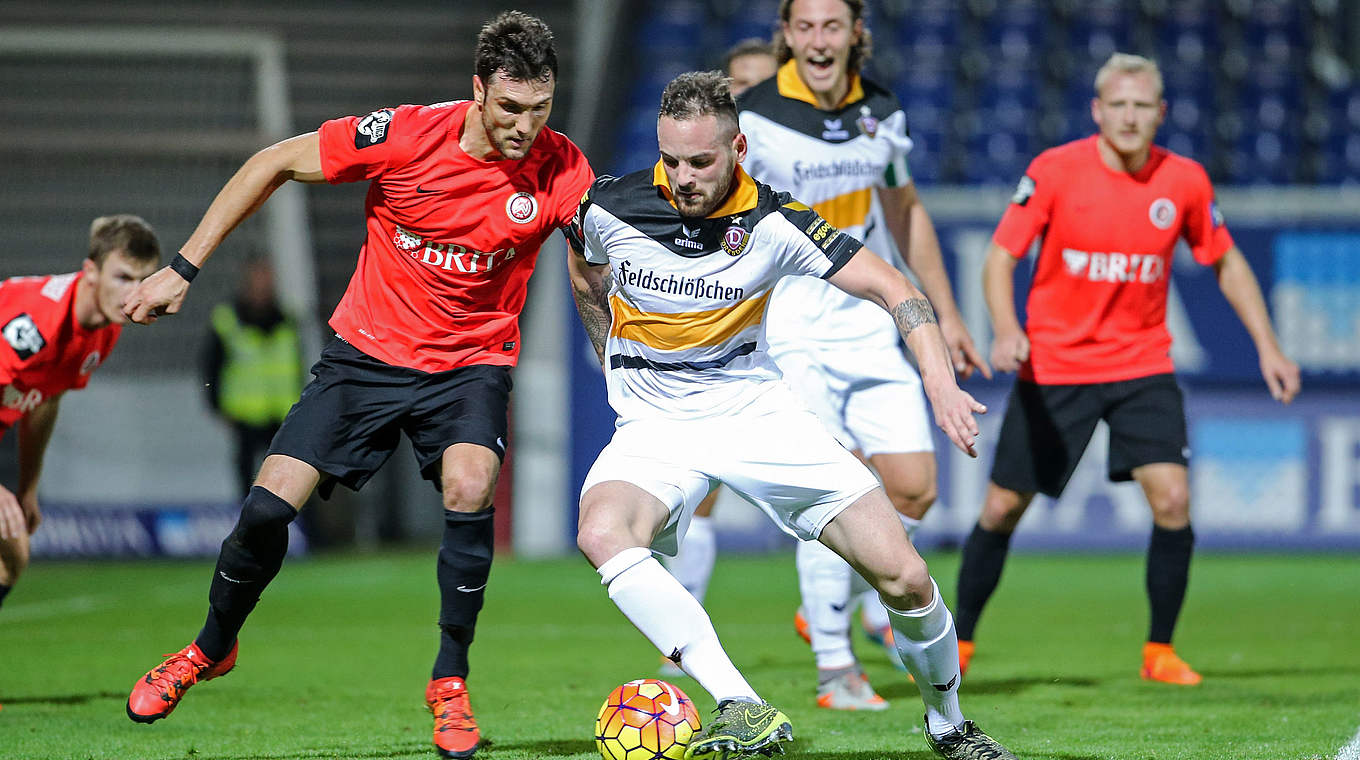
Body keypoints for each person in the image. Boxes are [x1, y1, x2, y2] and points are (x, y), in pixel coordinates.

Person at [122, 12, 593, 759]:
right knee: (266, 509)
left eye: (540, 109)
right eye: (510, 108)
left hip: (470, 364)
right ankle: (210, 647)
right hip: (367, 355)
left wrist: (611, 345)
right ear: (477, 90)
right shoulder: (405, 136)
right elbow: (270, 162)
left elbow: (592, 257)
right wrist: (180, 269)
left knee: (470, 485)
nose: (525, 127)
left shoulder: (562, 165)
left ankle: (450, 682)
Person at [567, 71, 1015, 760]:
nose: (682, 177)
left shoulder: (776, 224)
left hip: (758, 417)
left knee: (905, 578)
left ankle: (949, 724)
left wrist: (938, 381)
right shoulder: (609, 208)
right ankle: (742, 704)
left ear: (738, 148)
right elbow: (585, 269)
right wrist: (612, 360)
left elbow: (893, 286)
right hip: (657, 429)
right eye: (671, 159)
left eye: (701, 162)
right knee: (602, 530)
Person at [955, 52, 1301, 686]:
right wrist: (1008, 330)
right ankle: (961, 641)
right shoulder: (1054, 171)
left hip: (1143, 364)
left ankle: (1159, 651)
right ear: (1097, 110)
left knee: (1172, 499)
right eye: (1118, 104)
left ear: (1161, 113)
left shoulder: (1186, 180)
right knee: (1003, 507)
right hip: (1057, 365)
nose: (1130, 117)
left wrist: (1269, 347)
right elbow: (1001, 257)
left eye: (1142, 106)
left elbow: (1225, 261)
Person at [735, 0, 989, 709]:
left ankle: (834, 590)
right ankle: (835, 665)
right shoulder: (752, 117)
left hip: (870, 320)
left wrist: (947, 315)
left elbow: (904, 212)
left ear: (855, 36)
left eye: (833, 27)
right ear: (788, 35)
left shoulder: (881, 110)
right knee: (836, 484)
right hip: (786, 322)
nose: (820, 41)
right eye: (806, 27)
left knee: (912, 488)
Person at [0, 215, 161, 612]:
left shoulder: (104, 330)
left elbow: (46, 399)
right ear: (91, 272)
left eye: (143, 280)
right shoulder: (37, 322)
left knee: (11, 553)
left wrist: (28, 486)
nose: (133, 293)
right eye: (123, 277)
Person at [201, 254, 305, 499]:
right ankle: (248, 527)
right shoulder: (227, 319)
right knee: (246, 476)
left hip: (282, 413)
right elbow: (211, 365)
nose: (263, 285)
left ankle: (295, 527)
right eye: (258, 279)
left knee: (287, 475)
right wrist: (216, 404)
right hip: (245, 414)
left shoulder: (287, 318)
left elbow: (296, 365)